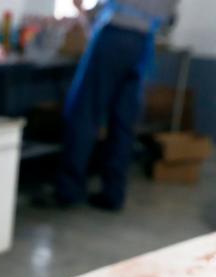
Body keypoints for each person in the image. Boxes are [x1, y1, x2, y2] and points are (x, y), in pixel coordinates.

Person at [53, 0, 179, 210]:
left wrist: (82, 10)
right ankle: (113, 193)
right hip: (142, 44)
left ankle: (69, 190)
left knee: (86, 114)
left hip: (113, 37)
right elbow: (170, 19)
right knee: (123, 122)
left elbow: (100, 9)